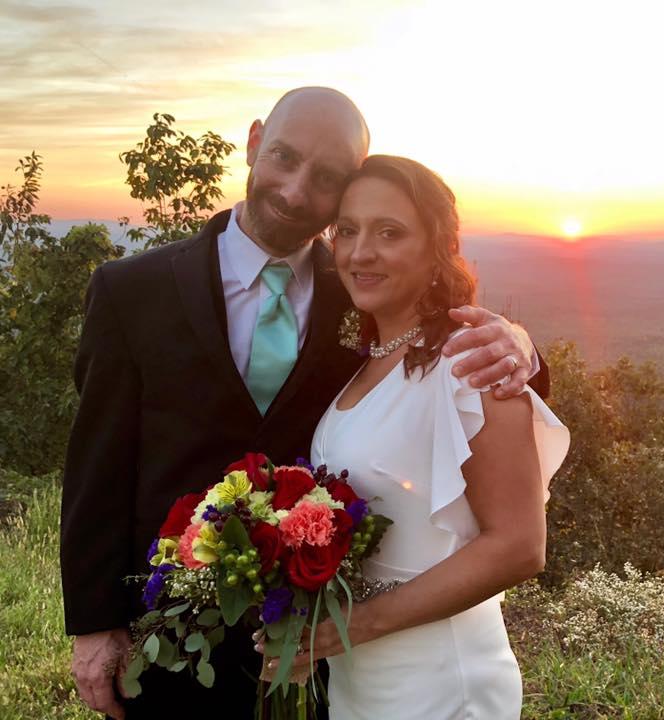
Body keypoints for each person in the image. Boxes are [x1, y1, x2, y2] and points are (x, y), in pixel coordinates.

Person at [60, 88, 548, 720]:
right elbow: (96, 464)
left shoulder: (362, 292)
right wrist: (95, 622)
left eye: (324, 179)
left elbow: (463, 374)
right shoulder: (133, 291)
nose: (294, 191)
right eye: (285, 158)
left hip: (319, 651)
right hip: (171, 635)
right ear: (256, 141)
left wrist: (523, 349)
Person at [260, 155, 569, 718]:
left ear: (436, 249)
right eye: (347, 231)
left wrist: (353, 626)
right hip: (364, 676)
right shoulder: (359, 366)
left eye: (389, 232)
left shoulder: (470, 365)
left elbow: (520, 547)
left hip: (442, 678)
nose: (359, 252)